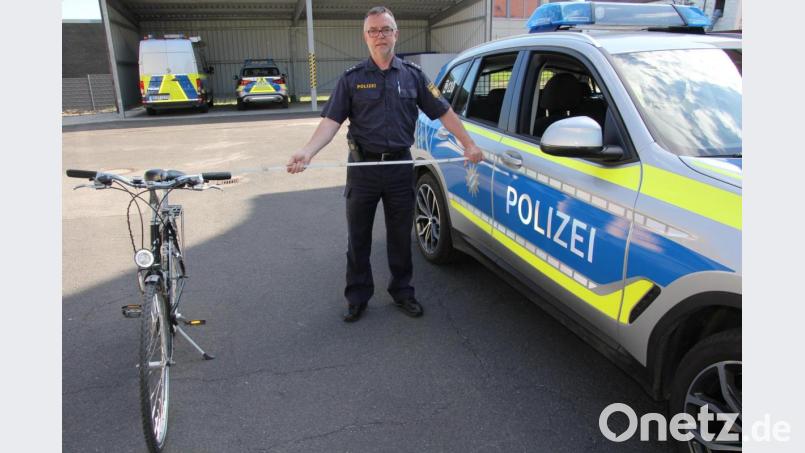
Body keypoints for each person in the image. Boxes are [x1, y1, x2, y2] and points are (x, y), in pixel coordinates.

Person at [287, 6, 483, 323]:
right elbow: (330, 122)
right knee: (359, 237)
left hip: (399, 167)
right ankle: (358, 297)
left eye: (386, 29)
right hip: (363, 169)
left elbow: (444, 112)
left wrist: (469, 144)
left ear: (396, 33)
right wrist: (307, 152)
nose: (381, 35)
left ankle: (403, 292)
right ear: (365, 37)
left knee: (399, 235)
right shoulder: (351, 79)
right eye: (374, 30)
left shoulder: (414, 77)